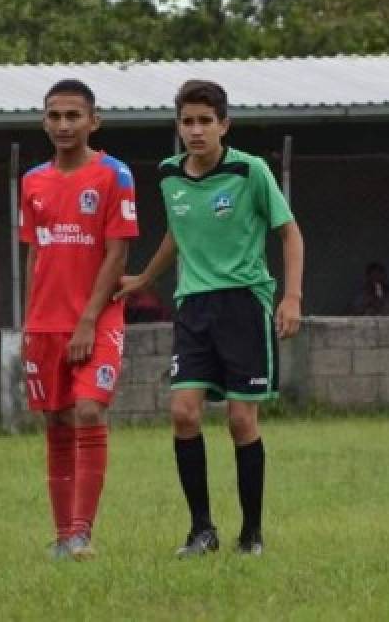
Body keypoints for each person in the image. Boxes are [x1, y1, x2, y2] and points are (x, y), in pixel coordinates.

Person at [117, 79, 305, 556]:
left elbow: (290, 234)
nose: (196, 131)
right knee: (182, 413)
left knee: (242, 420)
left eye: (205, 121)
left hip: (243, 303)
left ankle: (252, 534)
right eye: (187, 121)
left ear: (224, 124)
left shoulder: (251, 171)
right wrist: (143, 280)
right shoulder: (168, 175)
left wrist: (292, 297)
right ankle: (202, 530)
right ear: (178, 127)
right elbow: (176, 235)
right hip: (193, 307)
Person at [20, 79, 139, 560]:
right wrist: (30, 319)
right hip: (44, 323)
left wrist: (89, 319)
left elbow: (117, 251)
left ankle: (81, 533)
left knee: (88, 409)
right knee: (56, 421)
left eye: (73, 115)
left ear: (94, 120)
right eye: (54, 115)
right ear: (44, 120)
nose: (64, 124)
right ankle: (63, 537)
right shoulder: (31, 181)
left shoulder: (115, 174)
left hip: (98, 317)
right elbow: (35, 254)